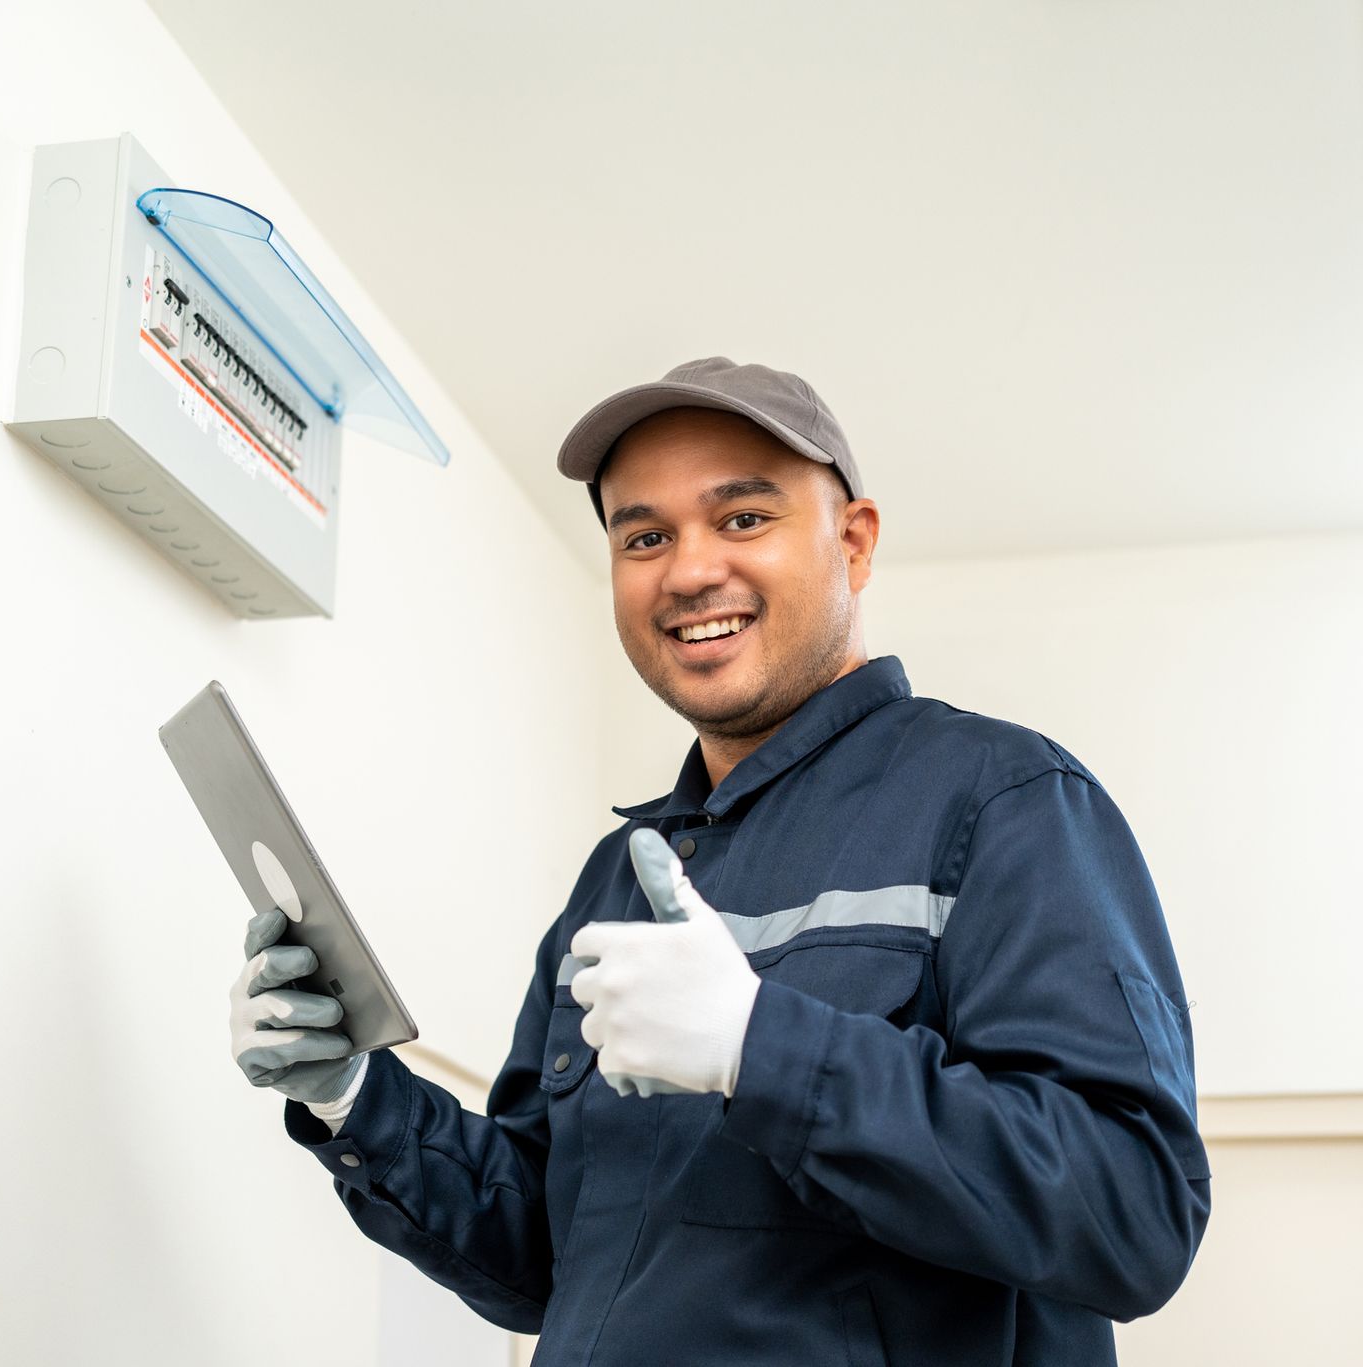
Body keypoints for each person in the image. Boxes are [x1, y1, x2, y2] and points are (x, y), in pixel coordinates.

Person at [226, 357, 1210, 1365]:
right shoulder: (619, 875)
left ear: (855, 540)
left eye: (742, 518)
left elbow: (1132, 1210)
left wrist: (760, 1046)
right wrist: (353, 1093)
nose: (689, 570)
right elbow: (540, 1260)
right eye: (644, 535)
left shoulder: (1004, 799)